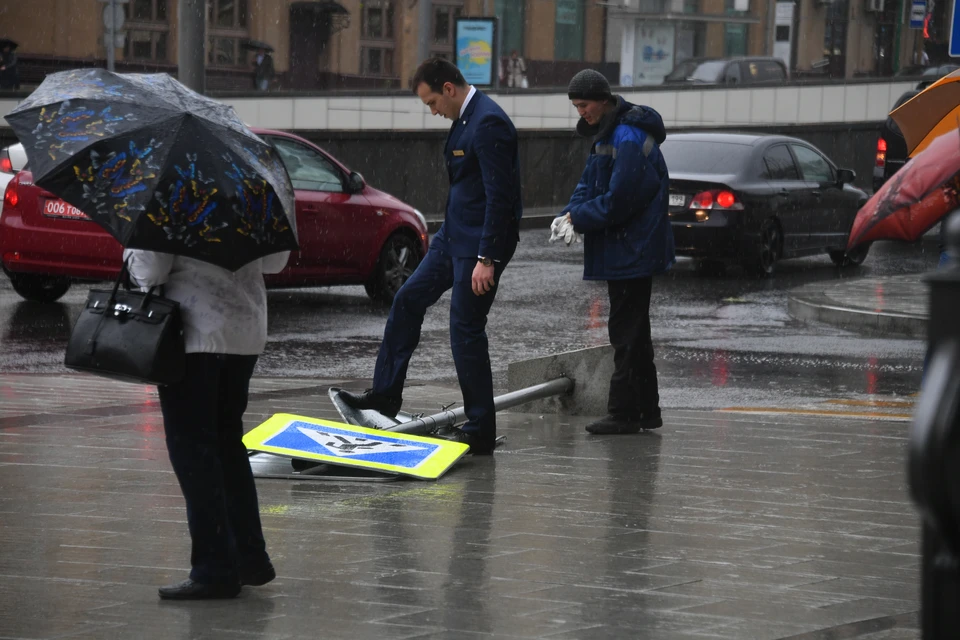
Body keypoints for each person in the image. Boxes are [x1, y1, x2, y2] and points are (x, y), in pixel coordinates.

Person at [339, 58, 522, 454]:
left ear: (450, 89)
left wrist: (487, 257)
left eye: (433, 102)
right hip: (452, 239)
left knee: (465, 330)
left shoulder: (489, 122)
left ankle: (480, 429)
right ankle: (385, 396)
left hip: (479, 249)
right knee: (406, 300)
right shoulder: (464, 119)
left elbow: (500, 197)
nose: (433, 111)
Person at [124, 246, 290, 599]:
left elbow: (152, 269)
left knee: (193, 450)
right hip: (245, 328)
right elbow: (277, 260)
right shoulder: (263, 187)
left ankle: (215, 568)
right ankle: (248, 556)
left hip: (192, 330)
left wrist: (130, 257)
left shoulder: (174, 189)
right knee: (227, 443)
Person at [559, 69, 675, 435]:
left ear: (604, 99)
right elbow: (589, 184)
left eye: (585, 104)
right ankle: (645, 411)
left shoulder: (626, 136)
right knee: (634, 332)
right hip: (629, 248)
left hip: (632, 249)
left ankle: (625, 413)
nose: (581, 112)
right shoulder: (611, 133)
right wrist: (571, 212)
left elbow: (620, 200)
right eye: (576, 106)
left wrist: (579, 216)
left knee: (626, 331)